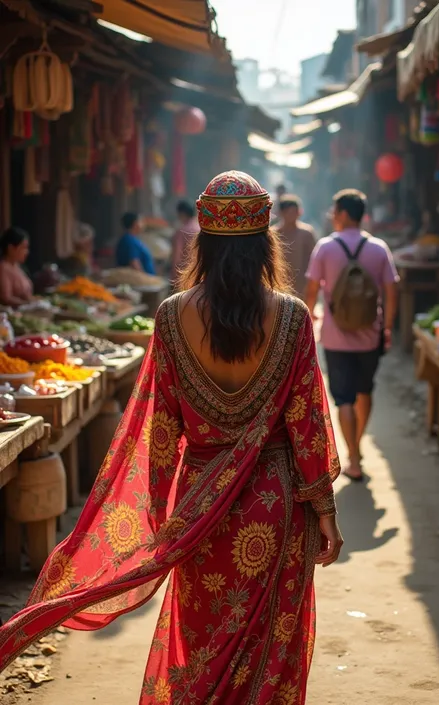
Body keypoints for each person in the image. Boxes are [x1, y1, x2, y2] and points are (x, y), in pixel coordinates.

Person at [0, 171, 342, 704]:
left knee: (200, 646)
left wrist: (162, 512)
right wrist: (325, 511)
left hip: (198, 508)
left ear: (202, 242)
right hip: (275, 513)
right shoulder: (294, 319)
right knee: (270, 654)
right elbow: (308, 425)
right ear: (263, 243)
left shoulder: (169, 317)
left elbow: (161, 432)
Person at [306, 189, 399, 481]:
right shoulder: (379, 248)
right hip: (370, 335)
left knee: (343, 397)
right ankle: (358, 443)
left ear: (344, 214)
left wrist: (310, 317)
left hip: (335, 337)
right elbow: (391, 292)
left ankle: (354, 458)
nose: (332, 216)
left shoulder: (325, 247)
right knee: (365, 390)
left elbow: (311, 292)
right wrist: (386, 328)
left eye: (335, 211)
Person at [276, 195, 317, 299]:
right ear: (281, 213)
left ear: (299, 212)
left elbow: (313, 260)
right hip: (279, 287)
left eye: (294, 212)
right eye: (288, 212)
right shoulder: (274, 234)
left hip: (302, 287)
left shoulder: (306, 233)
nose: (292, 216)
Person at [0, 227, 34, 307]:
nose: (27, 252)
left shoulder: (18, 266)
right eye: (23, 247)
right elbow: (6, 298)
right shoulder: (3, 268)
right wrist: (29, 305)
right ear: (11, 248)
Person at [170, 200, 199, 283]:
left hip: (185, 275)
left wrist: (173, 278)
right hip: (199, 273)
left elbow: (177, 257)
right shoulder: (200, 229)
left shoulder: (182, 231)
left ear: (181, 214)